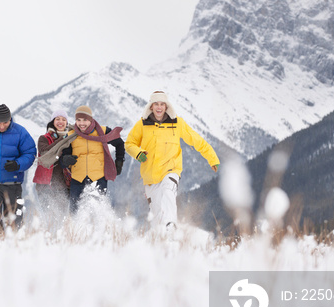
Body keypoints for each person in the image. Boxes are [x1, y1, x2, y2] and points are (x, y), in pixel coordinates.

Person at [125, 91, 220, 231]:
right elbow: (129, 143)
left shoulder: (177, 123)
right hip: (150, 177)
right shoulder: (142, 125)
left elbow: (197, 140)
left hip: (171, 169)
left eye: (162, 104)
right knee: (157, 217)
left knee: (168, 190)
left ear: (166, 106)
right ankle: (163, 242)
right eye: (156, 104)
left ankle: (171, 224)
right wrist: (138, 153)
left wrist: (212, 158)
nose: (159, 107)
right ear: (151, 107)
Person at [59, 106, 125, 213]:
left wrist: (119, 161)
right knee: (75, 213)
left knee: (99, 212)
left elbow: (120, 144)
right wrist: (66, 160)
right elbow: (62, 159)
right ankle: (74, 230)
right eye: (78, 120)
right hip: (77, 179)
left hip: (98, 178)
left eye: (85, 120)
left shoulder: (103, 131)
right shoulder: (71, 136)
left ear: (90, 119)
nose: (82, 123)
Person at [32, 110, 71, 212]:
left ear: (67, 123)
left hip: (63, 185)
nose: (60, 122)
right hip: (45, 185)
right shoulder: (44, 138)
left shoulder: (70, 140)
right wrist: (62, 139)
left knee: (62, 218)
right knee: (48, 218)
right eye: (57, 119)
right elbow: (45, 152)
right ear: (52, 122)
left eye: (63, 119)